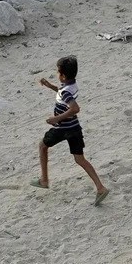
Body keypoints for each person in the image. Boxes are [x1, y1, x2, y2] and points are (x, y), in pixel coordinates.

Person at [33, 55, 110, 205]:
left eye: (58, 72)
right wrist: (50, 86)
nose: (57, 74)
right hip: (75, 128)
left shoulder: (65, 92)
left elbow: (75, 108)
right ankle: (100, 188)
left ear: (62, 75)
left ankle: (44, 180)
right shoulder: (72, 86)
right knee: (80, 159)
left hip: (63, 128)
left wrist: (56, 119)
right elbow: (63, 94)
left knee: (42, 146)